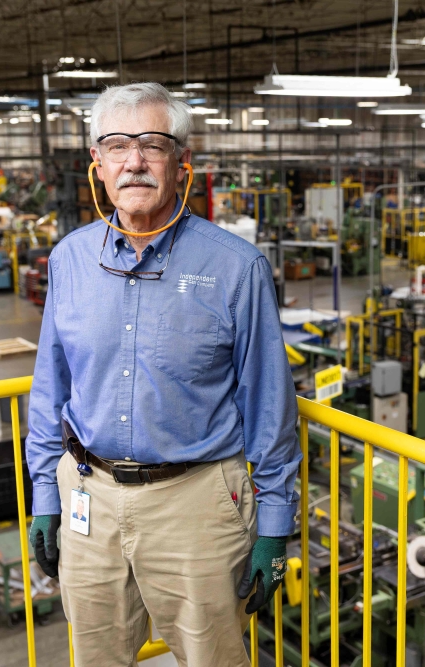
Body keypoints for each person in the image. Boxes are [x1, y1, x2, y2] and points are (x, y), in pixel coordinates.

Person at [25, 82, 300, 667]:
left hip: (196, 502)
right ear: (96, 164)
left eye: (153, 143)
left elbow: (269, 404)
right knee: (94, 655)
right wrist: (45, 492)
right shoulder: (70, 259)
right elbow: (52, 386)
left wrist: (275, 524)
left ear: (182, 162)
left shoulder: (235, 267)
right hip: (87, 495)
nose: (135, 161)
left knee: (212, 657)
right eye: (117, 145)